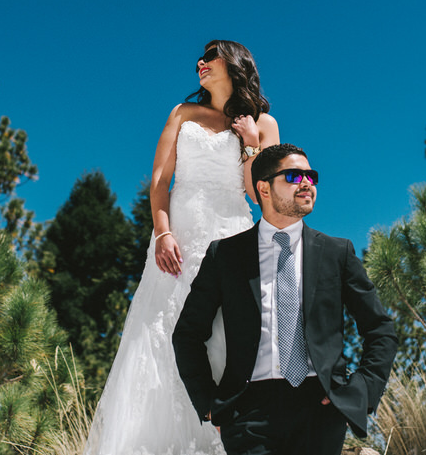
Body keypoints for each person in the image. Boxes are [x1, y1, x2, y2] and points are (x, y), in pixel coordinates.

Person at [83, 40, 279, 455]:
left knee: (230, 332)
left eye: (210, 57)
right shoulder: (183, 113)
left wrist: (249, 142)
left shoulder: (265, 123)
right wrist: (162, 233)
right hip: (181, 235)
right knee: (165, 328)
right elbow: (160, 180)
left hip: (232, 232)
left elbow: (257, 193)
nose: (200, 63)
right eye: (200, 59)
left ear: (235, 64)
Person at [173, 144, 398, 455]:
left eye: (311, 176)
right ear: (264, 188)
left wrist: (359, 391)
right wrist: (210, 404)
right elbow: (188, 333)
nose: (306, 183)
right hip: (247, 410)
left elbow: (380, 329)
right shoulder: (224, 255)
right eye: (293, 176)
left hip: (320, 407)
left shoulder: (337, 253)